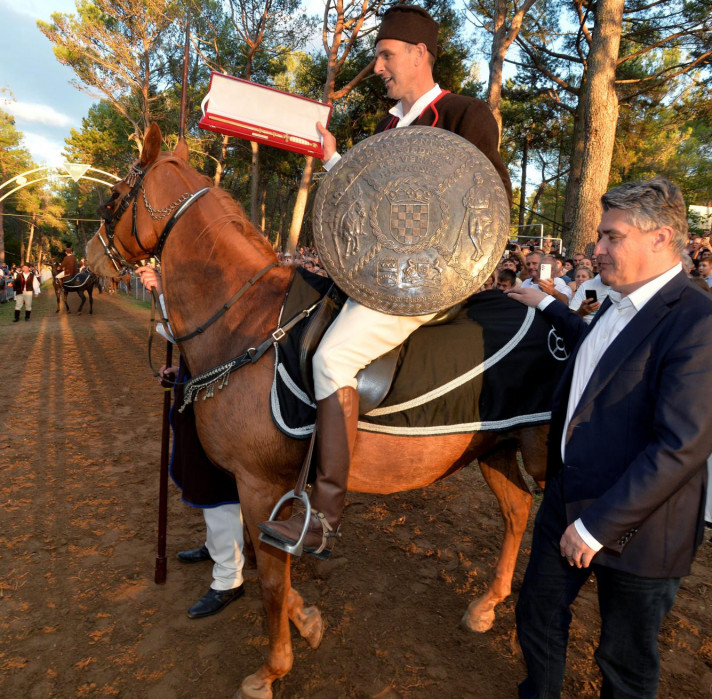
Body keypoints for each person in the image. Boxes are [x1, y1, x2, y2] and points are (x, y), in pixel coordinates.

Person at [258, 4, 512, 559]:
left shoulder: (468, 114)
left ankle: (324, 514)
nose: (377, 67)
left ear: (420, 55)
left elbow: (487, 205)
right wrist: (332, 160)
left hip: (427, 281)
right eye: (378, 56)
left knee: (331, 360)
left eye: (385, 55)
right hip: (376, 276)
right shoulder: (385, 129)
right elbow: (369, 204)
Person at [506, 177, 712, 698]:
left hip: (641, 527)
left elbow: (680, 446)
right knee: (537, 613)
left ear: (660, 239)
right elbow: (600, 354)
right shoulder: (616, 302)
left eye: (612, 237)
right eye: (599, 236)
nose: (597, 249)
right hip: (566, 499)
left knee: (625, 660)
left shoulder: (705, 326)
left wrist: (595, 528)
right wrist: (544, 305)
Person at [137, 265, 246, 618]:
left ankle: (229, 578)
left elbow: (193, 328)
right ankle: (219, 548)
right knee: (207, 487)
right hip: (199, 390)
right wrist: (180, 371)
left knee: (217, 489)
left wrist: (164, 291)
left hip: (219, 406)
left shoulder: (225, 282)